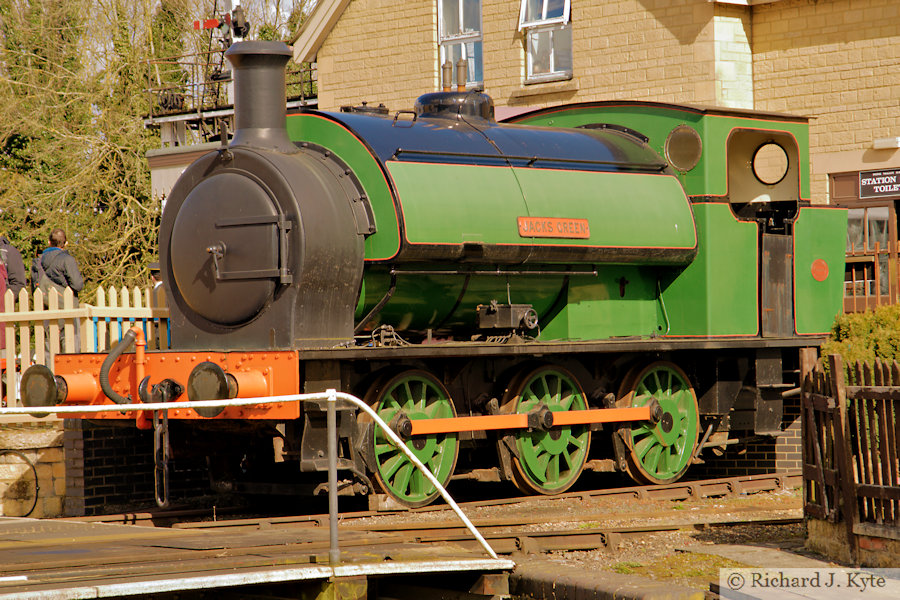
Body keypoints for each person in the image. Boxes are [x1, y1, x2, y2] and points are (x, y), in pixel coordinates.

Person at [37, 228, 83, 354]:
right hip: (67, 309)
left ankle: (51, 373)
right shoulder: (67, 260)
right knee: (70, 346)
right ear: (66, 243)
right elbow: (78, 285)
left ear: (49, 242)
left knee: (49, 347)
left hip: (46, 309)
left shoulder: (38, 262)